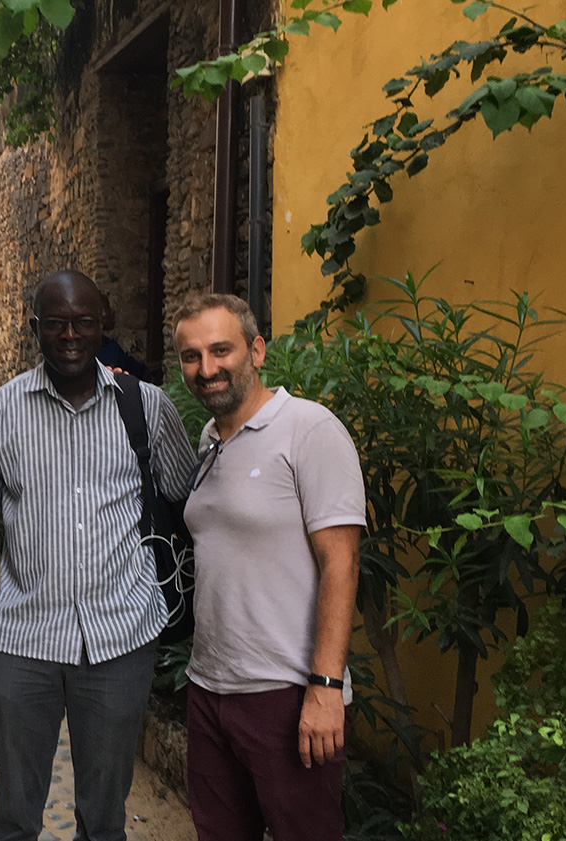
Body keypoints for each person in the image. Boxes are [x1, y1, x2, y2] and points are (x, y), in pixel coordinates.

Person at [0, 270, 196, 841]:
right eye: (55, 323)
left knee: (104, 819)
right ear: (34, 327)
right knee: (13, 816)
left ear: (103, 323)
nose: (69, 335)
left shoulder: (148, 409)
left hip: (121, 638)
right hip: (23, 642)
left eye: (83, 322)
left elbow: (192, 506)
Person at [171, 293, 364, 841]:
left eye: (220, 350)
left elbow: (341, 560)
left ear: (256, 350)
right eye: (191, 356)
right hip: (210, 689)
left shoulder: (309, 429)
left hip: (286, 694)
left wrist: (325, 686)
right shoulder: (210, 441)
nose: (206, 369)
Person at [96, 292, 148, 380]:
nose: (112, 311)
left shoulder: (109, 345)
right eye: (107, 307)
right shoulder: (104, 347)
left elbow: (136, 369)